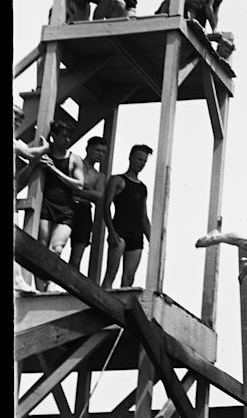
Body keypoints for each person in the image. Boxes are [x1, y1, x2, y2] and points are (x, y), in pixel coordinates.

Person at [17, 120, 85, 291]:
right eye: (63, 136)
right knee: (42, 247)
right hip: (47, 205)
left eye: (69, 136)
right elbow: (20, 180)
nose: (67, 139)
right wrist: (34, 163)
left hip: (66, 209)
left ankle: (53, 284)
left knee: (57, 248)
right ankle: (40, 289)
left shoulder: (74, 159)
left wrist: (54, 169)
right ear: (53, 137)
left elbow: (79, 185)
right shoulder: (42, 154)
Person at [101, 144, 153, 289]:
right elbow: (106, 206)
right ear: (130, 158)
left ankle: (120, 308)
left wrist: (153, 242)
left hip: (136, 235)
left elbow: (143, 217)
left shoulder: (143, 188)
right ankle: (100, 303)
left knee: (129, 278)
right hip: (120, 232)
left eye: (144, 161)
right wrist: (111, 231)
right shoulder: (117, 180)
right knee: (111, 272)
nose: (141, 163)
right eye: (139, 159)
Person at [67, 136, 108, 274]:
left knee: (77, 255)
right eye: (98, 150)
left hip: (85, 210)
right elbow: (70, 187)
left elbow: (98, 196)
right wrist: (89, 190)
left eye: (103, 152)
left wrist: (79, 188)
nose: (100, 154)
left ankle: (70, 287)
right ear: (88, 149)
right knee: (57, 246)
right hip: (69, 205)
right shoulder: (75, 161)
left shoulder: (99, 175)